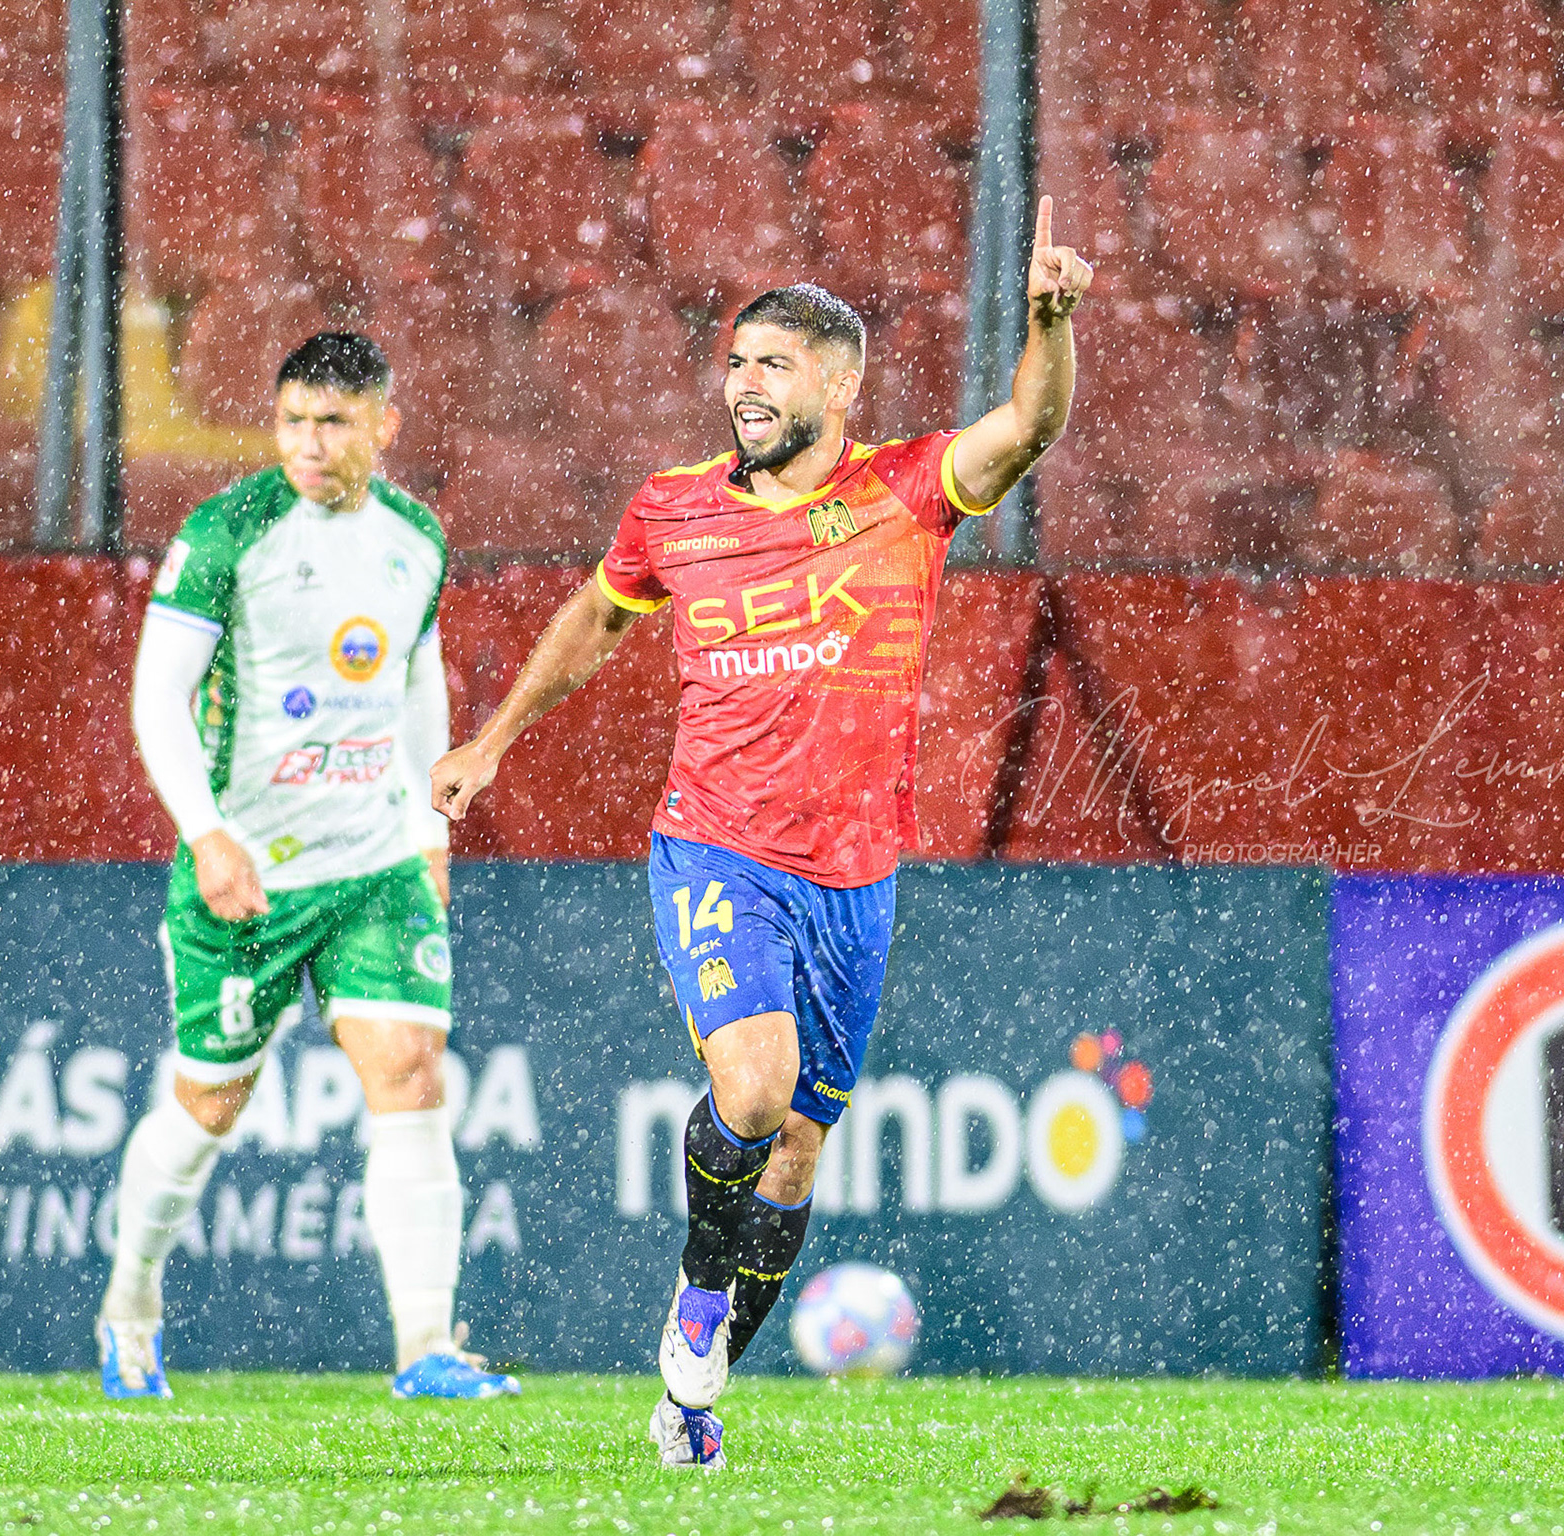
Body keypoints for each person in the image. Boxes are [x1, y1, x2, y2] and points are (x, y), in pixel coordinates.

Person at [431, 200, 1092, 1465]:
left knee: (794, 1159)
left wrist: (1048, 328)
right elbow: (594, 620)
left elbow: (1030, 425)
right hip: (717, 848)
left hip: (856, 873)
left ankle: (696, 1390)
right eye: (735, 362)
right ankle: (693, 1294)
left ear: (840, 386)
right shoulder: (673, 510)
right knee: (753, 1086)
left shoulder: (904, 491)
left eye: (773, 366)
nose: (742, 385)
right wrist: (494, 738)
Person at [96, 331, 519, 1402]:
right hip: (249, 872)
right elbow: (158, 700)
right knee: (208, 1108)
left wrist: (432, 835)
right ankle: (130, 1303)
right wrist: (206, 834)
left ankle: (426, 1349)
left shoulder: (415, 536)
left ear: (386, 425)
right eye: (292, 420)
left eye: (333, 422)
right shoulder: (226, 532)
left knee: (412, 1074)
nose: (309, 442)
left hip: (375, 862)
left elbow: (419, 687)